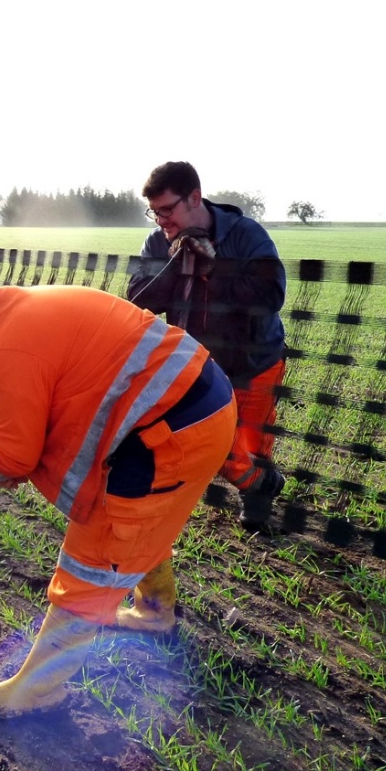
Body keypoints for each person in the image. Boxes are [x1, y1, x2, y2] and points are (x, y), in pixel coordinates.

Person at [0, 276, 237, 718]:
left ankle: (34, 693)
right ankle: (155, 613)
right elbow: (38, 434)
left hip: (164, 435)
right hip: (204, 406)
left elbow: (11, 456)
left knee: (96, 553)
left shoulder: (5, 347)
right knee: (141, 524)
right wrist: (15, 461)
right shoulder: (28, 307)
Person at [127, 161, 287, 529]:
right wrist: (176, 265)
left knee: (254, 445)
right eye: (155, 212)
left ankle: (257, 495)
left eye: (168, 210)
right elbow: (138, 299)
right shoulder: (157, 243)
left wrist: (214, 270)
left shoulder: (246, 235)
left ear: (194, 197)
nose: (161, 221)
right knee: (211, 446)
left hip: (256, 360)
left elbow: (271, 296)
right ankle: (259, 485)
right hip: (197, 368)